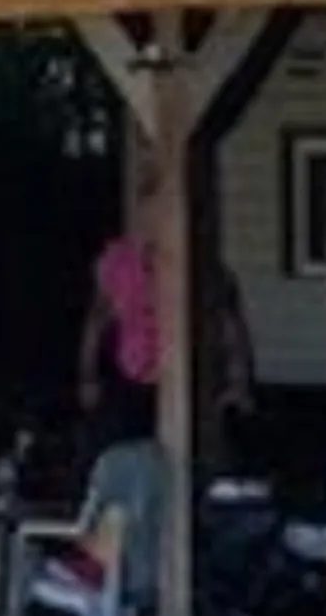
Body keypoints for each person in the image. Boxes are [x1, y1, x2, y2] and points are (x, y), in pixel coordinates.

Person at [78, 156, 257, 450]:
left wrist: (239, 382)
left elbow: (231, 327)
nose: (158, 219)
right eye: (153, 209)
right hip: (132, 383)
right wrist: (88, 375)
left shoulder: (206, 268)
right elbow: (97, 320)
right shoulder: (118, 262)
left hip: (188, 384)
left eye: (168, 210)